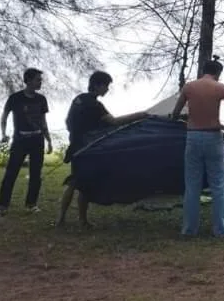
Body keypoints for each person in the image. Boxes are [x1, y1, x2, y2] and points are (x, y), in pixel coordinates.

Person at [56, 70, 152, 227]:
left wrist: (75, 134)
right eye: (106, 86)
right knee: (78, 183)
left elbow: (67, 121)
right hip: (88, 148)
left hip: (75, 145)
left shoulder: (78, 99)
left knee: (78, 181)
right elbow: (114, 122)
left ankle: (68, 219)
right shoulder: (95, 105)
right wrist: (140, 115)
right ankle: (75, 219)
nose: (107, 89)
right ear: (97, 85)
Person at [171, 57, 224, 237]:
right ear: (218, 73)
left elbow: (176, 112)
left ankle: (189, 230)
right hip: (213, 136)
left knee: (192, 185)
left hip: (193, 136)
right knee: (218, 185)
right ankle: (222, 230)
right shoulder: (221, 88)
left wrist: (181, 119)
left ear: (203, 71)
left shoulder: (189, 87)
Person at [0, 68, 52, 216]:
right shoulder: (15, 98)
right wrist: (3, 134)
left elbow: (43, 121)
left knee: (35, 174)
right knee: (11, 173)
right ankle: (2, 206)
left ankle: (31, 204)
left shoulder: (41, 99)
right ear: (29, 81)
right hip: (20, 140)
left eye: (41, 80)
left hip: (37, 140)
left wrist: (49, 140)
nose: (40, 82)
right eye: (38, 79)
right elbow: (4, 116)